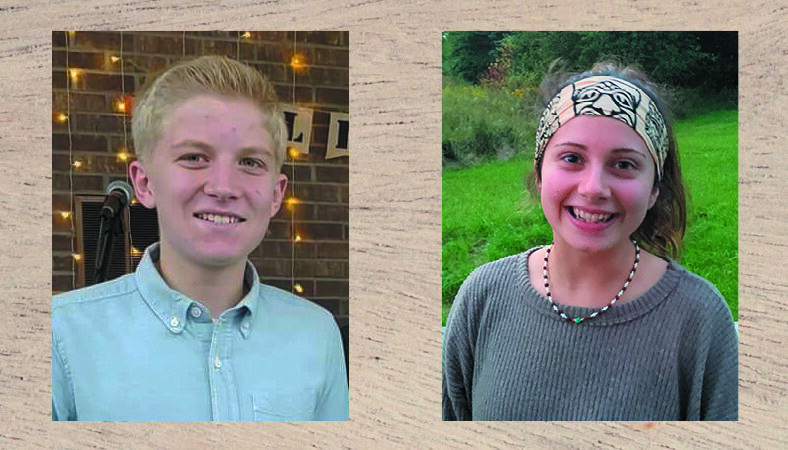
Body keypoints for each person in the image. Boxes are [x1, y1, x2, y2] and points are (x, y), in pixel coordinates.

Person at [52, 56, 349, 421]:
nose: (223, 187)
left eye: (250, 162)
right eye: (194, 157)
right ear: (144, 183)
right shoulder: (62, 335)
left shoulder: (317, 335)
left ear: (276, 194)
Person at [442, 61, 738, 421]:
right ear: (539, 175)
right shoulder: (483, 297)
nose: (594, 188)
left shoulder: (700, 319)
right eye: (572, 158)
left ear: (654, 190)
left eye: (624, 164)